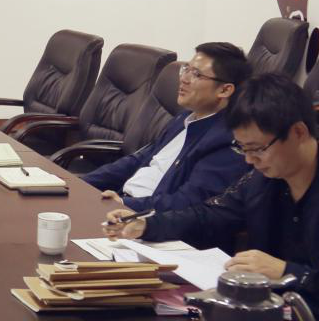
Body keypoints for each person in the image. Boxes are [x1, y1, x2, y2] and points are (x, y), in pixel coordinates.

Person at [103, 73, 319, 321]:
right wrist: (147, 224)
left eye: (258, 149)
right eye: (242, 149)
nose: (250, 160)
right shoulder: (265, 180)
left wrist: (288, 272)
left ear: (299, 132)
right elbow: (211, 214)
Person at [84, 42, 251, 212]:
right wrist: (81, 182)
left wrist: (125, 204)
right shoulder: (185, 117)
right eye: (186, 69)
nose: (184, 79)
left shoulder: (226, 141)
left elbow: (189, 202)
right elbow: (140, 159)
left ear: (225, 90)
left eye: (196, 74)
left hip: (144, 218)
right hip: (121, 203)